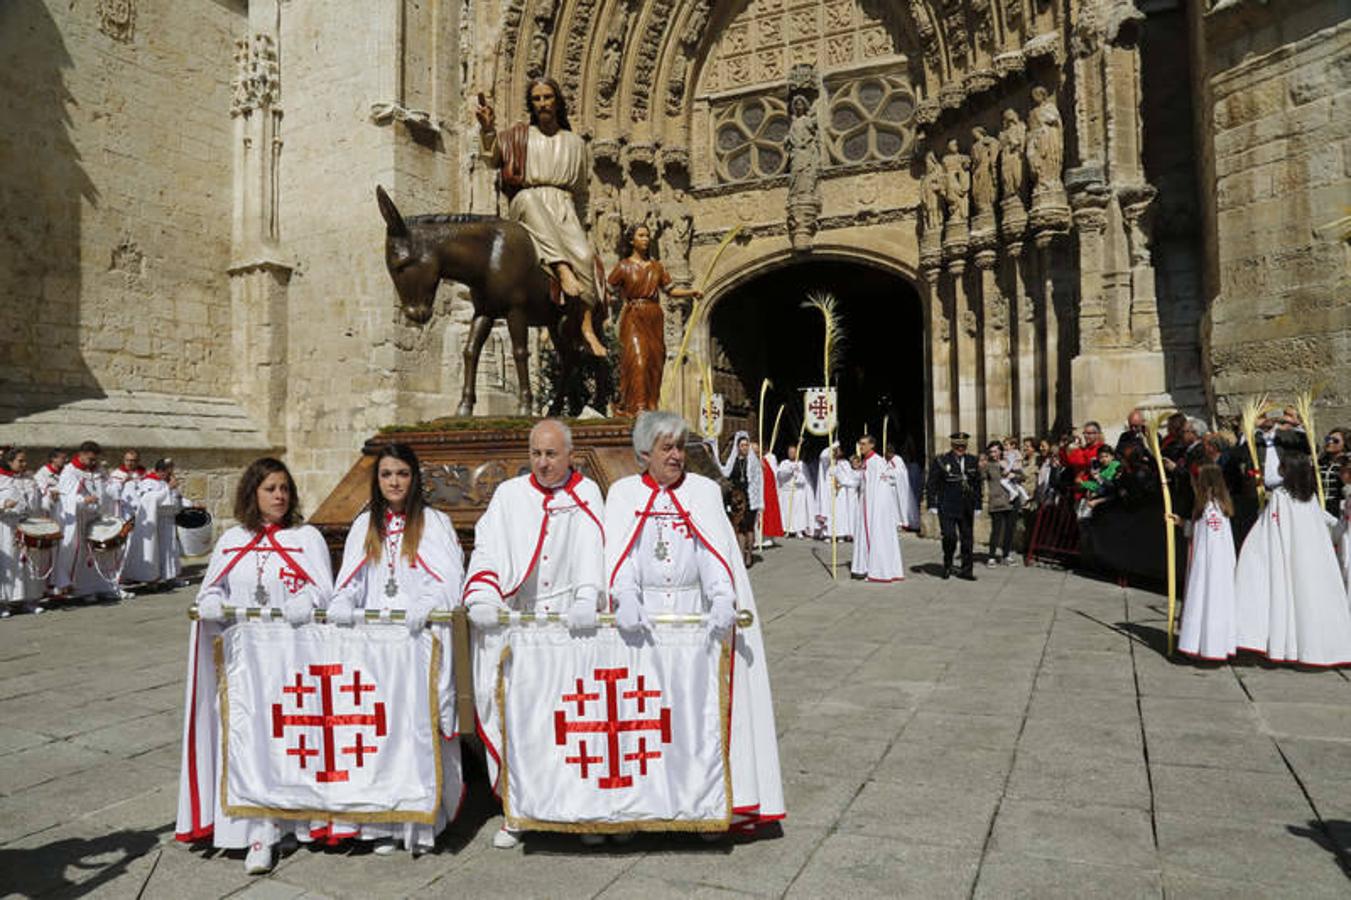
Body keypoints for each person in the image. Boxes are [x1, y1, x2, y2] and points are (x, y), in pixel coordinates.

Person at [605, 411, 785, 835]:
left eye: (680, 447)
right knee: (644, 720)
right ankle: (641, 807)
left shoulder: (703, 492)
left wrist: (724, 594)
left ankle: (704, 807)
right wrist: (624, 594)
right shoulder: (622, 493)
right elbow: (620, 554)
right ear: (644, 453)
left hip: (694, 620)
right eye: (667, 448)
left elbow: (713, 551)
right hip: (643, 626)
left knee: (695, 720)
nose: (676, 456)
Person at [178, 457, 333, 874]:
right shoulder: (232, 540)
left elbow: (325, 590)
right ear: (253, 493)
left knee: (288, 740)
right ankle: (259, 829)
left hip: (292, 659)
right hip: (244, 661)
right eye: (270, 489)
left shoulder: (307, 537)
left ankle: (297, 818)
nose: (279, 496)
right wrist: (209, 600)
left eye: (284, 488)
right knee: (250, 742)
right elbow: (213, 587)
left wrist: (311, 599)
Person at [461, 419, 605, 850]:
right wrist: (484, 595)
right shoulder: (509, 495)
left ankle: (581, 815)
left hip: (567, 629)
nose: (542, 464)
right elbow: (488, 547)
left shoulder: (586, 494)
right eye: (536, 454)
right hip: (520, 625)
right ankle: (518, 811)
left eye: (551, 455)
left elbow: (593, 548)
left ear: (569, 456)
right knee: (519, 722)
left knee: (572, 725)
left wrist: (587, 596)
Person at [328, 443, 465, 855]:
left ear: (414, 478)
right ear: (378, 479)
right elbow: (352, 579)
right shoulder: (363, 525)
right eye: (386, 474)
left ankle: (418, 822)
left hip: (418, 644)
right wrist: (341, 600)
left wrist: (428, 603)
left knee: (416, 735)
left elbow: (449, 579)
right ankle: (379, 824)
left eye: (402, 474)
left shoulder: (434, 523)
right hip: (375, 650)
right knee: (379, 737)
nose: (394, 482)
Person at [476, 76, 607, 357]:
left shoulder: (574, 143)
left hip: (563, 207)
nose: (542, 103)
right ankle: (560, 268)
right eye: (536, 99)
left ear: (557, 101)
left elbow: (582, 191)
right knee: (529, 198)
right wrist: (488, 129)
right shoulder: (520, 136)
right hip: (528, 205)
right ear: (531, 105)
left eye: (547, 97)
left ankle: (584, 326)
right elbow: (491, 158)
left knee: (584, 257)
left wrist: (582, 225)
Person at [1234, 447, 1351, 667]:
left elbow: (1270, 529)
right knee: (1309, 601)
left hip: (1290, 558)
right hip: (1313, 561)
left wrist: (1263, 518)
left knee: (1293, 599)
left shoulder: (1281, 496)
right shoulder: (1311, 497)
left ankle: (1293, 646)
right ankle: (1317, 648)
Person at [607, 224, 702, 414]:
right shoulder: (623, 266)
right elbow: (608, 290)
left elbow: (671, 290)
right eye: (641, 235)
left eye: (647, 235)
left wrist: (691, 292)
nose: (646, 239)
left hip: (654, 316)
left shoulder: (657, 266)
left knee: (654, 362)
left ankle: (651, 405)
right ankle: (638, 407)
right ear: (631, 240)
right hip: (633, 315)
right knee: (637, 359)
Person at [1172, 464, 1239, 661]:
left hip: (1209, 567)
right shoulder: (1217, 506)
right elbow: (1200, 532)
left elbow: (1209, 537)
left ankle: (1206, 646)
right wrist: (1182, 523)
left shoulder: (1211, 509)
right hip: (1217, 566)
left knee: (1206, 601)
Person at [54, 441, 120, 601]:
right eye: (90, 459)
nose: (93, 462)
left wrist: (113, 490)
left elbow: (107, 488)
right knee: (79, 553)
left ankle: (99, 586)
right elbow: (64, 497)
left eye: (95, 459)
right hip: (77, 518)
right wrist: (84, 500)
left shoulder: (98, 470)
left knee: (97, 553)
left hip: (95, 516)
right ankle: (78, 589)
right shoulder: (70, 472)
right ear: (81, 454)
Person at [926, 432, 982, 580]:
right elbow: (932, 483)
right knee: (950, 537)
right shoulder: (941, 460)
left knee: (967, 539)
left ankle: (966, 570)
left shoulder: (972, 460)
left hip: (966, 506)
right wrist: (932, 503)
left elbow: (977, 484)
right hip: (947, 506)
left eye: (963, 446)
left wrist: (978, 505)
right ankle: (948, 563)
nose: (960, 449)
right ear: (952, 445)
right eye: (957, 446)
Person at [122, 458, 184, 589]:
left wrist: (179, 498)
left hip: (168, 520)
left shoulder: (166, 482)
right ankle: (151, 579)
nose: (170, 475)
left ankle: (170, 577)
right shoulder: (148, 482)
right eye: (168, 472)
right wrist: (168, 488)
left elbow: (176, 499)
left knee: (170, 550)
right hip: (155, 521)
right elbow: (148, 499)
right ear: (160, 471)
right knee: (153, 550)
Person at [850, 435, 904, 583]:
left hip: (875, 507)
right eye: (860, 444)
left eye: (864, 444)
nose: (861, 447)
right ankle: (863, 566)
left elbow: (883, 483)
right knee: (863, 534)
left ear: (872, 445)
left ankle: (877, 569)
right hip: (865, 504)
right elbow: (858, 481)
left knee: (876, 535)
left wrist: (876, 508)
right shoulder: (866, 462)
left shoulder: (878, 462)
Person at [0, 448, 45, 616]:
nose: (24, 464)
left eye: (25, 461)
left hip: (27, 525)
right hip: (5, 526)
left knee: (29, 563)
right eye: (20, 461)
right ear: (9, 462)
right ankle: (3, 603)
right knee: (8, 563)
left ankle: (29, 599)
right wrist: (4, 505)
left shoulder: (28, 479)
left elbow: (38, 502)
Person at [710, 432, 760, 566]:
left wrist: (758, 501)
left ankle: (749, 555)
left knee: (749, 528)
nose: (744, 448)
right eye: (742, 445)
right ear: (738, 447)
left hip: (750, 498)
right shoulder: (734, 461)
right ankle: (740, 555)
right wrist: (714, 449)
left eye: (746, 445)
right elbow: (725, 472)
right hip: (737, 498)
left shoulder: (753, 462)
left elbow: (758, 483)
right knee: (739, 527)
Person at [980, 441, 1021, 566]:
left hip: (1011, 500)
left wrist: (1015, 474)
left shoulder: (1008, 462)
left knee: (1009, 530)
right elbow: (981, 478)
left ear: (1001, 451)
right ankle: (991, 556)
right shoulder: (988, 465)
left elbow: (1022, 476)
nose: (993, 454)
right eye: (991, 451)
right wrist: (980, 467)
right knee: (996, 530)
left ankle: (1006, 555)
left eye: (995, 451)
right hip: (996, 501)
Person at [777, 443, 814, 538]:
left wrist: (798, 476)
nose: (791, 454)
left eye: (793, 452)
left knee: (798, 512)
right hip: (787, 491)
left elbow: (806, 480)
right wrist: (789, 471)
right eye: (790, 452)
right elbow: (780, 476)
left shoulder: (802, 464)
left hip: (798, 492)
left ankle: (798, 530)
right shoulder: (784, 463)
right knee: (786, 511)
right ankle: (786, 529)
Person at [756, 441, 784, 548]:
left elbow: (773, 475)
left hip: (768, 491)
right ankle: (759, 537)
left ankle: (768, 536)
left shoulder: (769, 459)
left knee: (769, 512)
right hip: (758, 491)